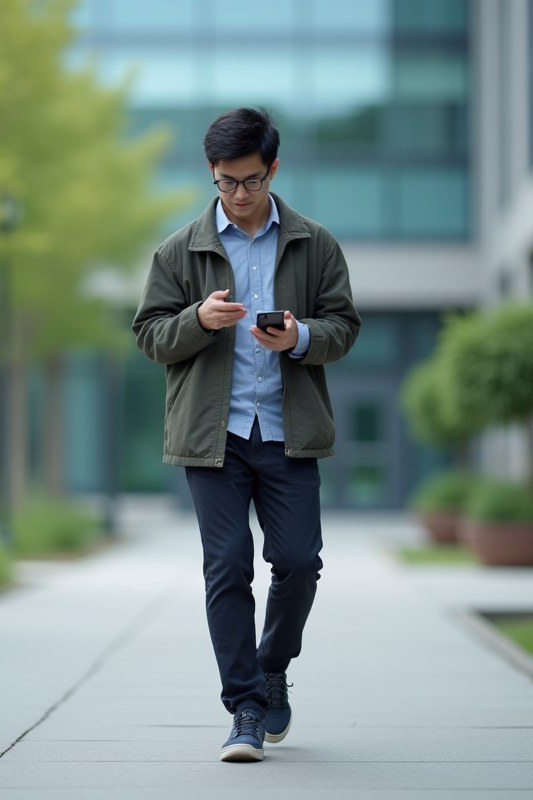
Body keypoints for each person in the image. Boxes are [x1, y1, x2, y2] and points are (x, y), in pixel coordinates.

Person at [132, 107, 361, 763]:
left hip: (289, 434)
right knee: (226, 566)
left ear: (273, 170)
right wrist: (199, 321)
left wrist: (302, 338)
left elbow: (344, 326)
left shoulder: (315, 243)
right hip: (215, 439)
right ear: (212, 173)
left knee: (296, 563)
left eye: (252, 180)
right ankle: (246, 708)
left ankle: (272, 664)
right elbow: (150, 336)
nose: (239, 194)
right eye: (227, 181)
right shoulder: (179, 251)